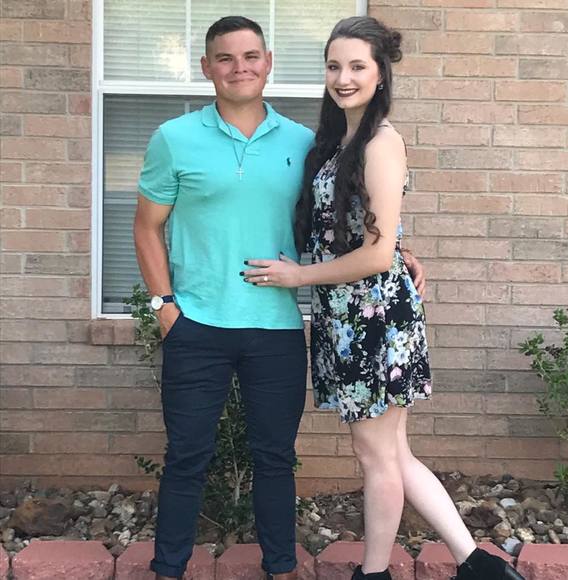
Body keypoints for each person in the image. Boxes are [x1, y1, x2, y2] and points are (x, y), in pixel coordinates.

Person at [134, 15, 426, 580]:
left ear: (268, 64)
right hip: (196, 326)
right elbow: (147, 227)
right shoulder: (173, 138)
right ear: (207, 68)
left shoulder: (306, 144)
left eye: (251, 56)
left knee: (274, 459)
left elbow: (344, 212)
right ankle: (167, 569)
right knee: (186, 458)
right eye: (225, 58)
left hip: (277, 330)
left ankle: (281, 568)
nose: (239, 68)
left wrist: (399, 251)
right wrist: (164, 307)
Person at [242, 16, 525, 580]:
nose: (343, 78)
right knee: (393, 453)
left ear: (379, 74)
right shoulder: (341, 141)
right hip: (351, 316)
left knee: (376, 457)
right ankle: (478, 565)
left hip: (373, 319)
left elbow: (374, 255)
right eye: (333, 66)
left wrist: (298, 277)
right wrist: (400, 248)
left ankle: (374, 574)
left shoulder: (381, 142)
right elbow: (374, 231)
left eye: (357, 66)